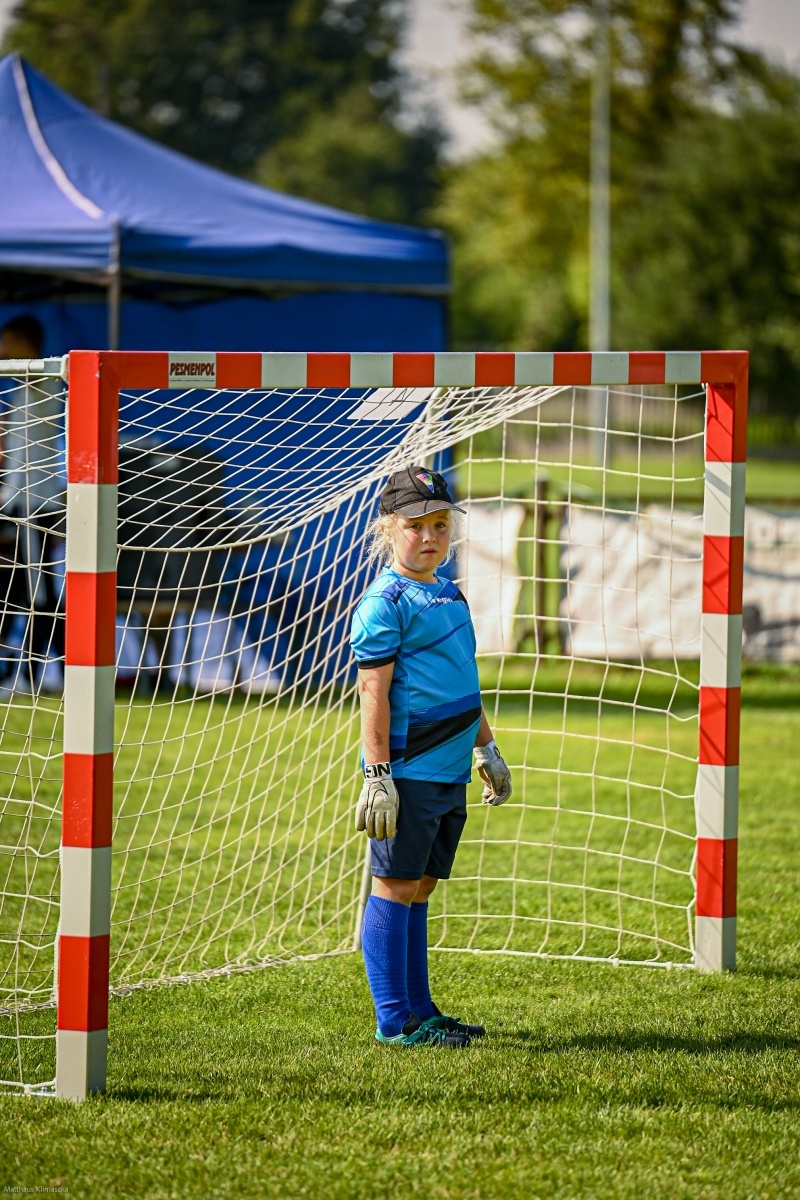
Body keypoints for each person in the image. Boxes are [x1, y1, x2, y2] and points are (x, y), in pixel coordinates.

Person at [350, 464, 512, 1048]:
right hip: (408, 772)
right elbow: (373, 692)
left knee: (420, 885)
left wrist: (486, 747)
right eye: (416, 525)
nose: (429, 537)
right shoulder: (383, 602)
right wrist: (377, 776)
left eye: (440, 525)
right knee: (393, 885)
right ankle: (394, 1022)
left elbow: (465, 682)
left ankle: (422, 1011)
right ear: (388, 530)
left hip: (448, 771)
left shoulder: (449, 591)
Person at [0, 315, 65, 694]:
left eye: (6, 342)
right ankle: (30, 670)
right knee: (16, 591)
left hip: (37, 507)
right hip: (16, 504)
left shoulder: (45, 380)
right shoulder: (22, 389)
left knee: (38, 594)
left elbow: (31, 375)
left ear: (23, 343)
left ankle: (28, 676)